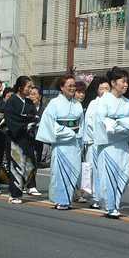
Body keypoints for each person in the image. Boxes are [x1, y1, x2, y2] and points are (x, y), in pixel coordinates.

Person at [94, 67, 129, 218]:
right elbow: (102, 121)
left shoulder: (127, 102)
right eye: (122, 81)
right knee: (109, 174)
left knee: (124, 174)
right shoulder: (103, 100)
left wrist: (117, 123)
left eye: (127, 82)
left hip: (123, 144)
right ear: (113, 82)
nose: (125, 85)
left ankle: (115, 203)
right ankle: (110, 206)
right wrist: (122, 124)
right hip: (109, 144)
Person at [36, 74, 84, 210]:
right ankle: (60, 199)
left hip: (75, 142)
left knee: (74, 170)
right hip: (62, 143)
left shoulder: (77, 104)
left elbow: (82, 123)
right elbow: (49, 123)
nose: (72, 88)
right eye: (69, 85)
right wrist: (67, 132)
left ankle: (68, 198)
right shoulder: (54, 103)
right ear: (62, 87)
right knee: (60, 172)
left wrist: (80, 135)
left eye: (74, 85)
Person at [4, 76, 39, 204]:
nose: (30, 89)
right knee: (16, 166)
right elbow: (11, 118)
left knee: (30, 165)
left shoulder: (29, 103)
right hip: (15, 137)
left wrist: (29, 121)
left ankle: (22, 187)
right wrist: (25, 122)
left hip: (27, 138)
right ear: (20, 87)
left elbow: (34, 117)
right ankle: (14, 194)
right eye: (28, 86)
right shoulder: (12, 101)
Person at [82, 79, 111, 209]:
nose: (105, 91)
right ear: (97, 91)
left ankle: (105, 197)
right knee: (94, 169)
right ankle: (94, 197)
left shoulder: (113, 103)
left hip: (109, 142)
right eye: (102, 88)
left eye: (107, 88)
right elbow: (89, 123)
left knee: (105, 170)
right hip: (95, 142)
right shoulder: (94, 103)